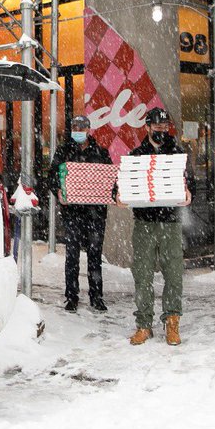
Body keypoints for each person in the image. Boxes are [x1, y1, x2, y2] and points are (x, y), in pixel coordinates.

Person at [125, 107, 191, 346]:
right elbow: (119, 188)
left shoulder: (178, 155)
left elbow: (188, 183)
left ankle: (172, 321)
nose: (162, 130)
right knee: (142, 274)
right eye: (157, 126)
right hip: (143, 223)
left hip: (170, 223)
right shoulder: (135, 156)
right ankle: (144, 325)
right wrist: (120, 196)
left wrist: (187, 193)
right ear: (147, 127)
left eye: (165, 127)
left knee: (173, 273)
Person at [47, 115, 112, 312]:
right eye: (75, 126)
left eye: (82, 127)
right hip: (72, 213)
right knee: (72, 256)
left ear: (89, 129)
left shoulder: (101, 152)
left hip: (95, 214)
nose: (78, 130)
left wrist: (112, 193)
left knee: (95, 256)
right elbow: (52, 175)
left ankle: (96, 296)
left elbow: (110, 179)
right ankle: (72, 297)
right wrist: (58, 190)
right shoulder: (64, 150)